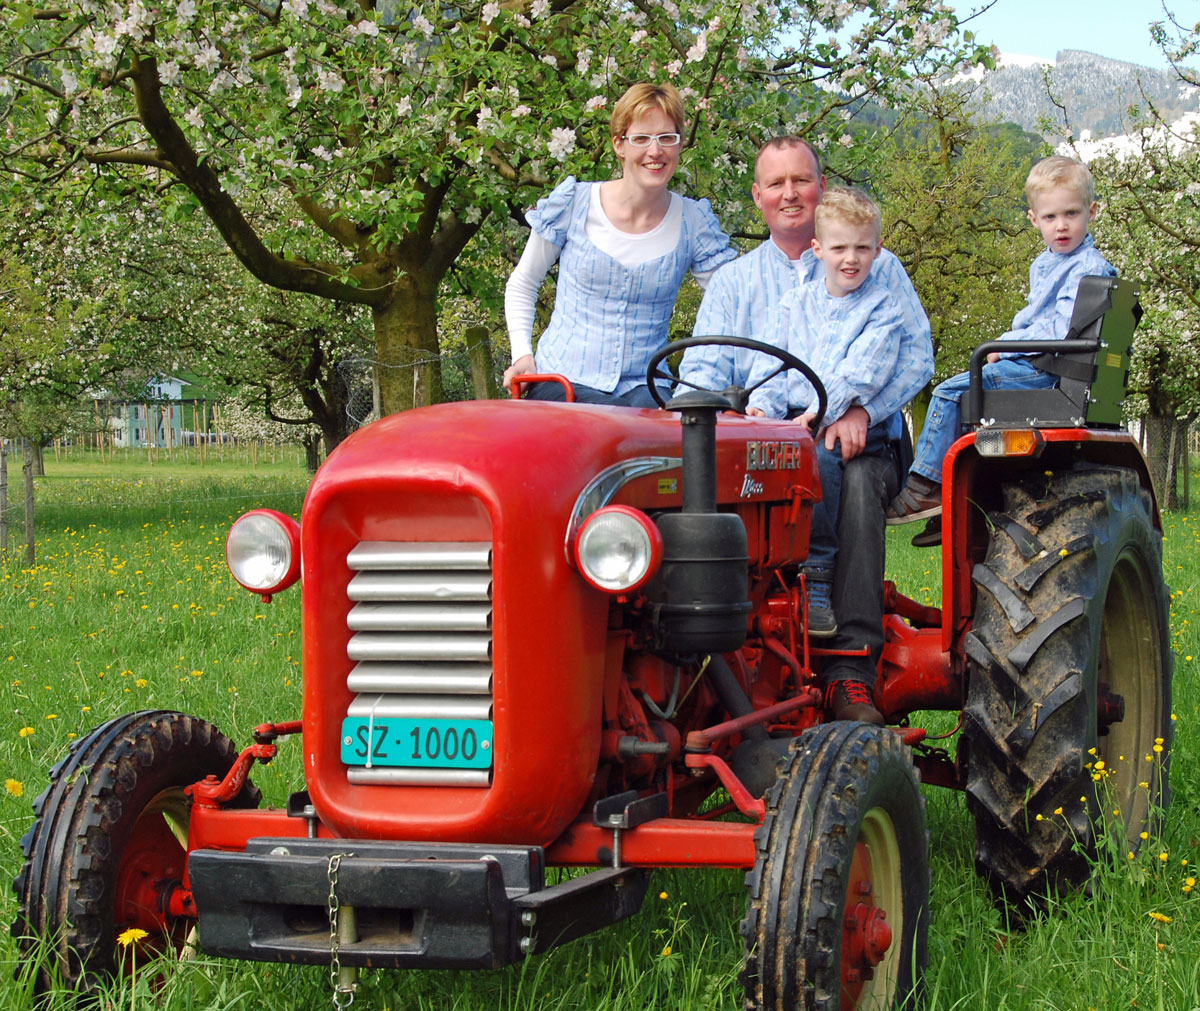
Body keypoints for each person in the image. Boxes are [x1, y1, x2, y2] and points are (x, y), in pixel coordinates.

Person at [678, 138, 933, 724]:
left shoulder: (877, 266)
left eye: (802, 180)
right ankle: (724, 653)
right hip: (767, 437)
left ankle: (851, 665)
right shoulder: (734, 283)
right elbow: (703, 373)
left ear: (820, 189)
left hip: (865, 438)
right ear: (758, 197)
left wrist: (863, 412)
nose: (790, 193)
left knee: (859, 477)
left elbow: (916, 359)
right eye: (776, 183)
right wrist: (745, 421)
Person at [885, 155, 1117, 525]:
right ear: (1033, 219)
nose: (1061, 226)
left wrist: (1007, 346)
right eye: (1050, 217)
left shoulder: (1086, 267)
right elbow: (1034, 320)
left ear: (1091, 211)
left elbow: (1058, 332)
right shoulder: (1046, 263)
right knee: (969, 401)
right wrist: (1007, 342)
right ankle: (956, 499)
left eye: (1071, 214)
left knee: (950, 393)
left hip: (1050, 369)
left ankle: (924, 487)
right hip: (1033, 361)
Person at [745, 189, 918, 649]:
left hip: (856, 433)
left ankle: (817, 577)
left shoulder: (883, 308)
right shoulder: (793, 306)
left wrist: (818, 415)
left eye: (863, 248)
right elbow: (771, 365)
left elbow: (863, 371)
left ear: (878, 251)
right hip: (797, 425)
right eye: (840, 248)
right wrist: (760, 407)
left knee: (821, 462)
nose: (851, 259)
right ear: (817, 249)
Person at [502, 82, 736, 406]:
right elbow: (524, 282)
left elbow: (733, 299)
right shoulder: (575, 203)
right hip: (564, 383)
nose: (655, 151)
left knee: (673, 439)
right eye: (641, 138)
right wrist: (522, 354)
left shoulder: (693, 221)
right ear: (619, 144)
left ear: (679, 145)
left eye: (666, 138)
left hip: (645, 389)